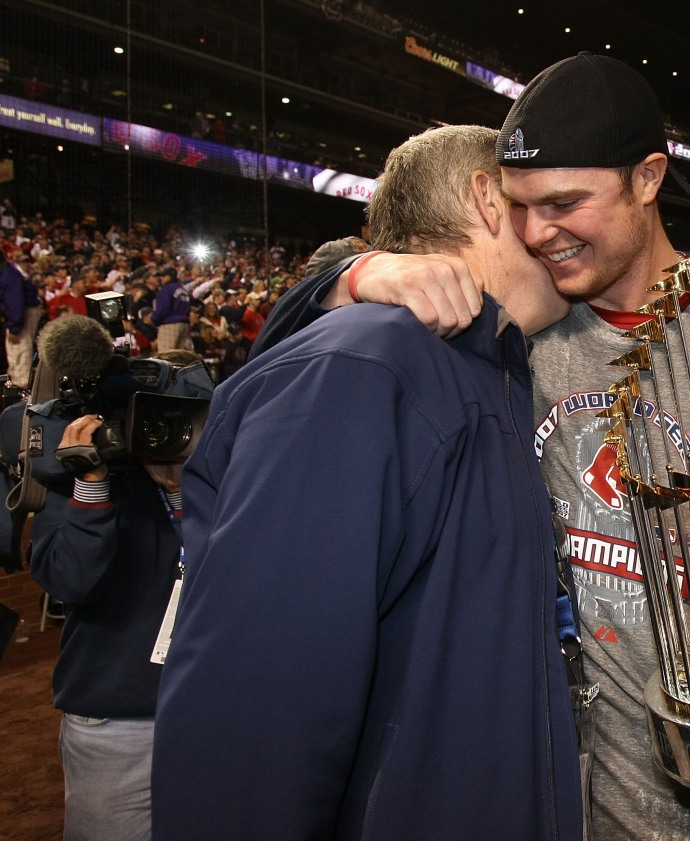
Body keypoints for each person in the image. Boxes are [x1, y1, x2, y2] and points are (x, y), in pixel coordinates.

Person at [259, 54, 690, 841]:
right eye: (520, 206)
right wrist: (354, 273)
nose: (536, 232)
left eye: (564, 203)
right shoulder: (521, 319)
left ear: (648, 178)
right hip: (542, 792)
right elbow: (294, 341)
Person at [151, 125, 583, 841]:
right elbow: (255, 717)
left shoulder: (490, 369)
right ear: (486, 198)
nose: (555, 224)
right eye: (534, 197)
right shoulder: (364, 364)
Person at [28, 335, 214, 841]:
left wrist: (188, 496)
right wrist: (90, 483)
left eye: (188, 417)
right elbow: (69, 581)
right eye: (155, 417)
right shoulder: (90, 482)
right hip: (117, 723)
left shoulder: (225, 490)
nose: (170, 432)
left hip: (211, 715)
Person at [0, 255, 44, 390]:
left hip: (24, 313)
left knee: (19, 348)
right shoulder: (9, 269)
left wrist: (14, 328)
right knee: (17, 351)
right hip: (23, 311)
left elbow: (16, 304)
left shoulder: (10, 276)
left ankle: (21, 389)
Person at [150, 266, 192, 351]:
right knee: (180, 357)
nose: (161, 278)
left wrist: (155, 319)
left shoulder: (167, 289)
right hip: (184, 325)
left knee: (166, 355)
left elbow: (163, 308)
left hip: (169, 325)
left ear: (169, 277)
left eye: (163, 276)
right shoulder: (182, 289)